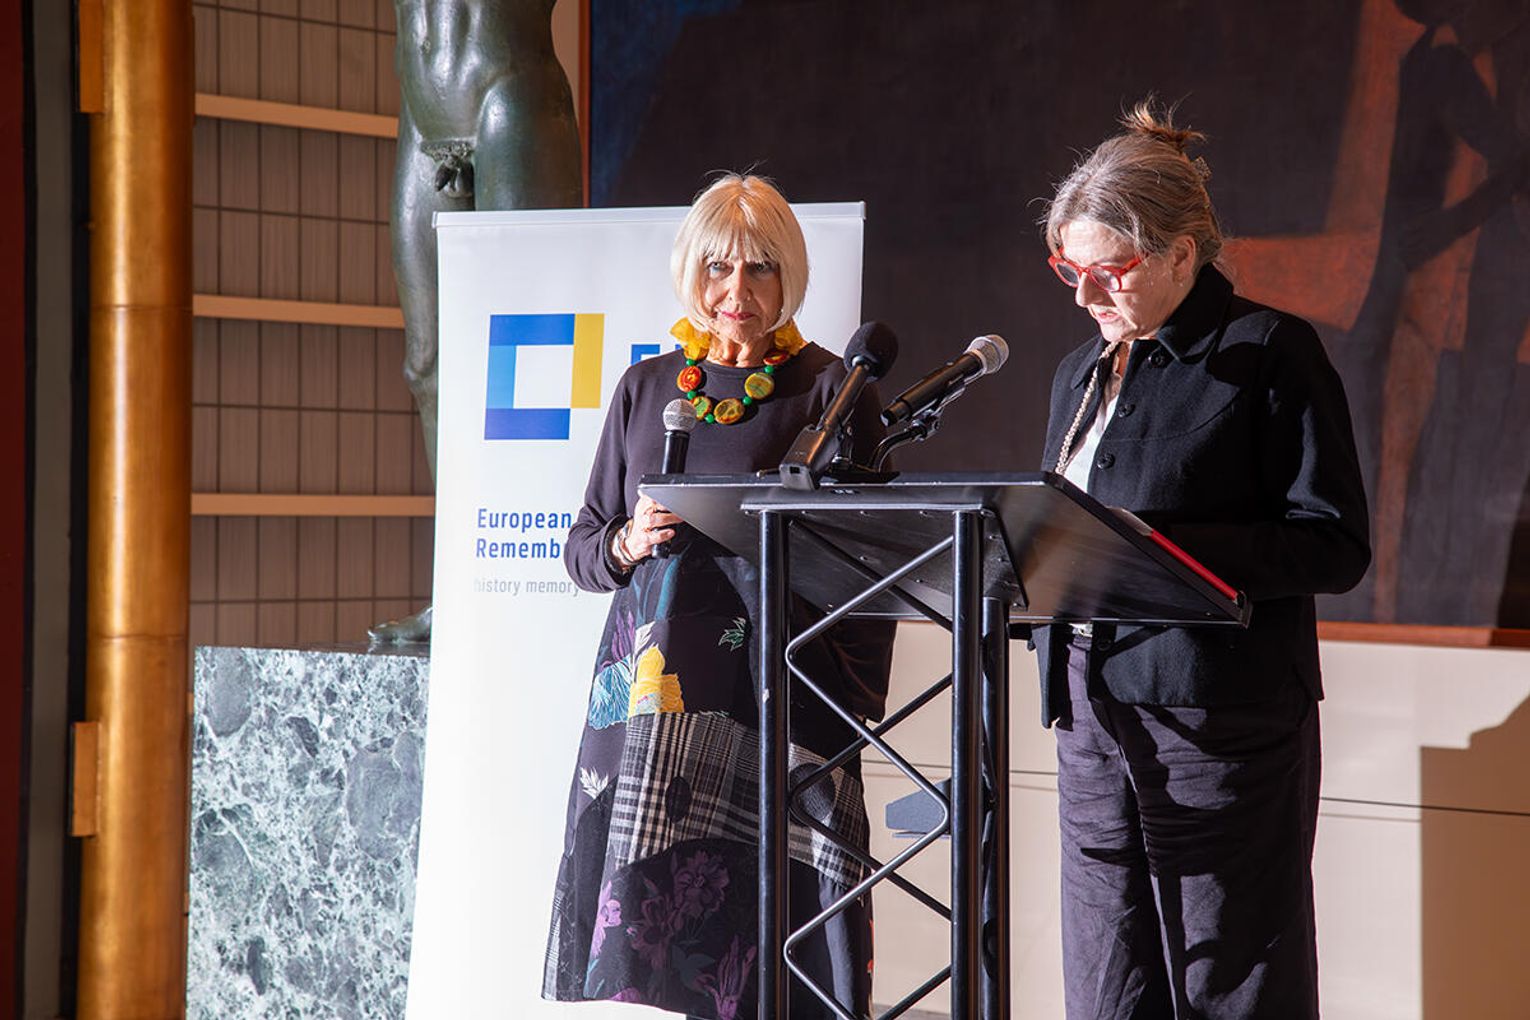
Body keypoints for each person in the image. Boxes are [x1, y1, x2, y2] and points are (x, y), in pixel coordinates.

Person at [1033, 100, 1371, 1019]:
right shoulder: (1077, 372)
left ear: (1182, 254)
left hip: (1217, 719)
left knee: (1230, 980)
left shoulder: (1270, 353)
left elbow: (1335, 543)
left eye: (1108, 272)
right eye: (1068, 269)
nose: (1085, 296)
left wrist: (1159, 546)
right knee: (1107, 981)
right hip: (1088, 711)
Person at [543, 174, 895, 1019]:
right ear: (691, 273)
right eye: (718, 268)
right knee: (671, 950)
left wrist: (852, 701)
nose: (737, 290)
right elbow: (583, 547)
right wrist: (627, 541)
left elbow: (875, 561)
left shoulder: (834, 389)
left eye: (760, 268)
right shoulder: (646, 388)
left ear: (788, 277)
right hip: (657, 699)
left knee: (779, 946)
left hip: (778, 698)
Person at [370, 0, 582, 643]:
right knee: (428, 366)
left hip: (511, 100)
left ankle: (534, 583)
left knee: (525, 365)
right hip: (423, 115)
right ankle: (457, 589)